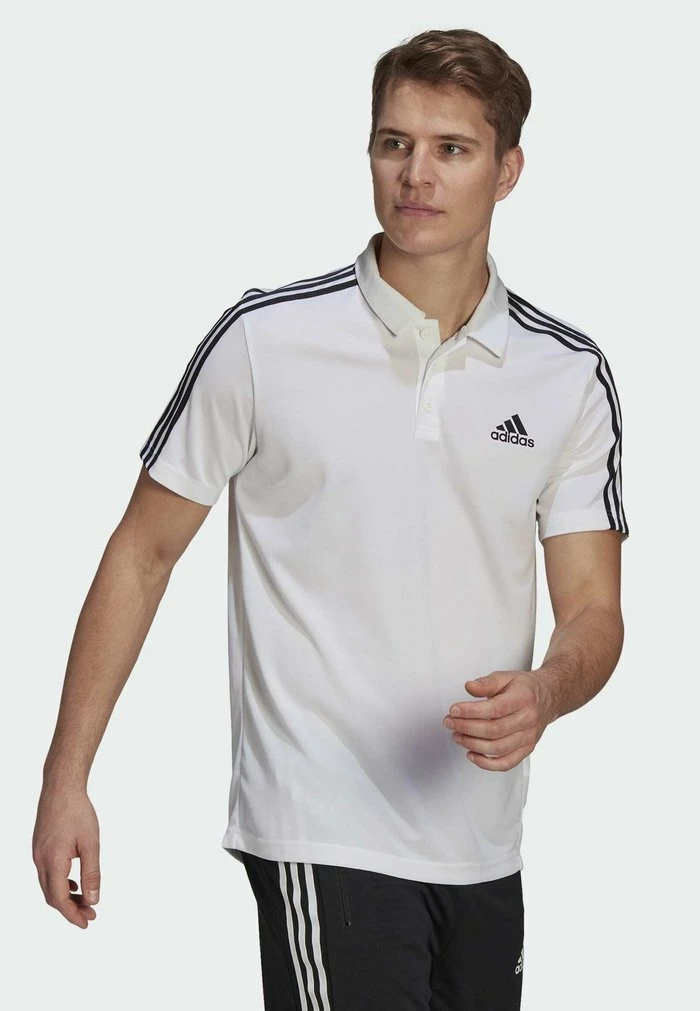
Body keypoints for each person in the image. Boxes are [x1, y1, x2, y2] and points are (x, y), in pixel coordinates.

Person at [33, 26, 629, 1011]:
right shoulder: (265, 340)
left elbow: (595, 610)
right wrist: (68, 778)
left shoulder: (566, 374)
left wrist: (549, 690)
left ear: (508, 170)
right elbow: (143, 552)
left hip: (483, 843)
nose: (415, 175)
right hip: (320, 825)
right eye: (394, 143)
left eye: (451, 149)